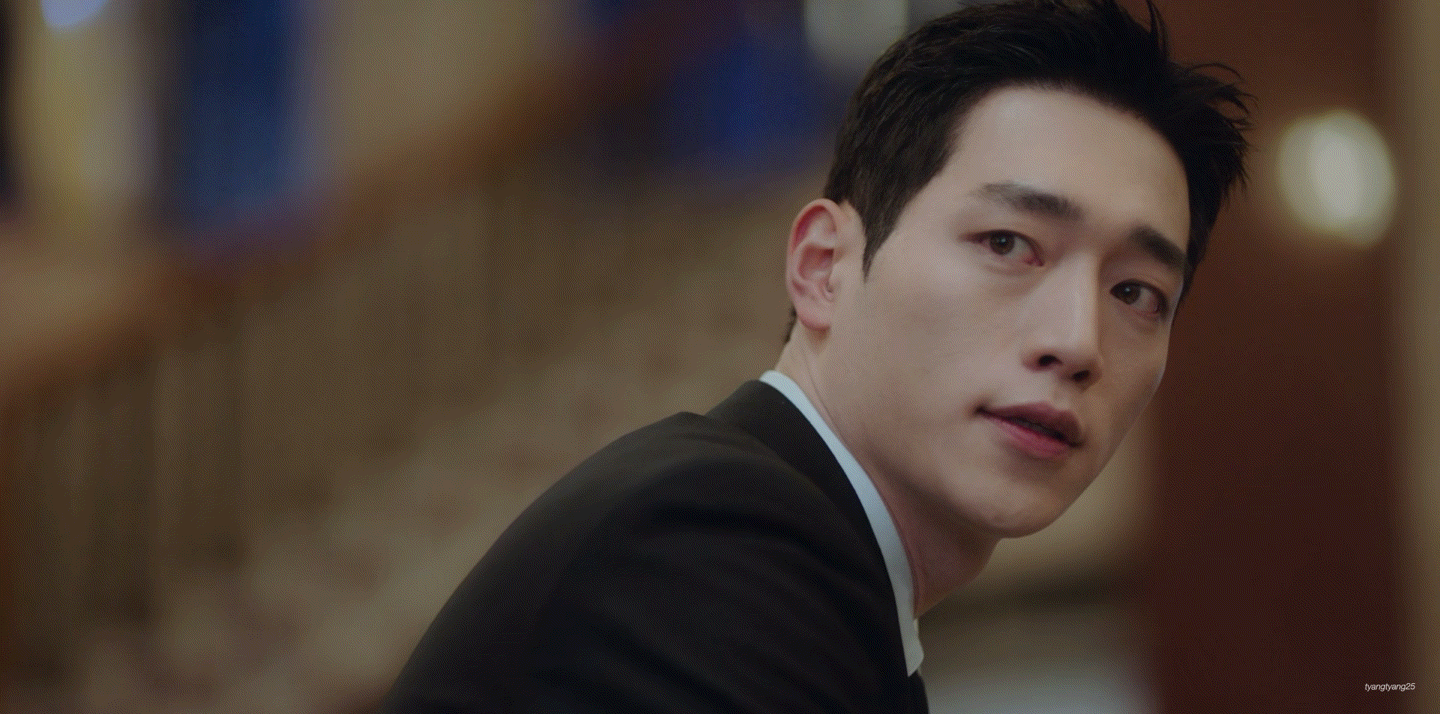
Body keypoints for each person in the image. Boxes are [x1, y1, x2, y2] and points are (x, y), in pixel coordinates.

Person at [379, 1, 1251, 711]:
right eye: (1008, 243)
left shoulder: (819, 573)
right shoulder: (712, 539)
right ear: (823, 267)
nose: (1076, 342)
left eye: (1137, 292)